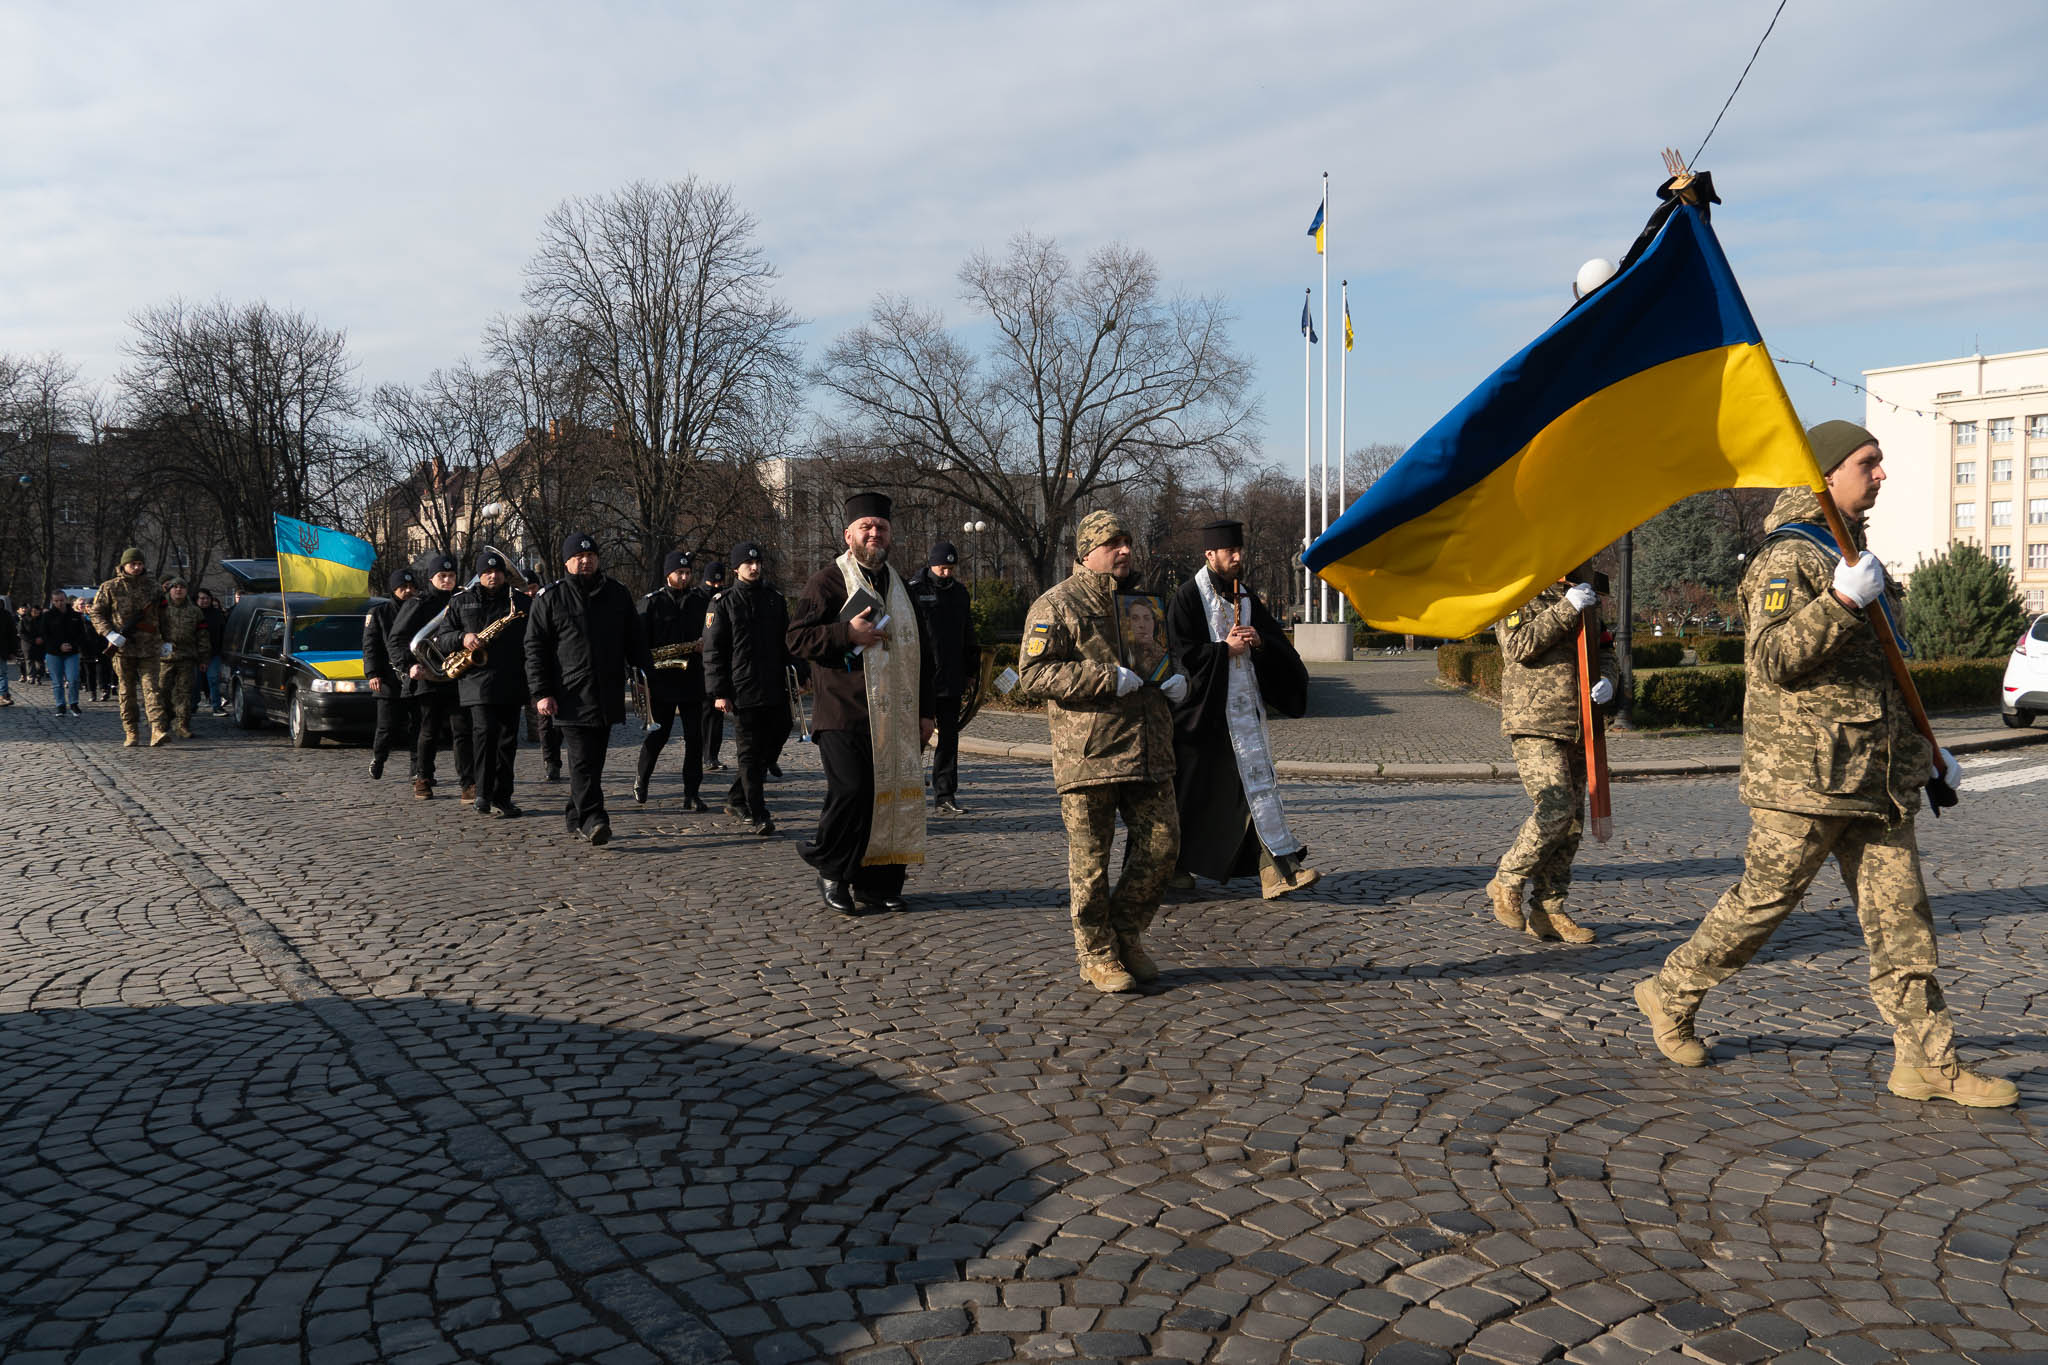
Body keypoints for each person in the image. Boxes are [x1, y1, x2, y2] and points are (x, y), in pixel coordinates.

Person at [1635, 420, 2016, 1107]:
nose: (1881, 473)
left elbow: (1880, 675)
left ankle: (1926, 1061)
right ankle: (1669, 992)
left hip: (1876, 780)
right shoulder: (1791, 557)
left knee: (1904, 924)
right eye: (1868, 462)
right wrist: (1841, 601)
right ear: (1827, 473)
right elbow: (1775, 658)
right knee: (1760, 906)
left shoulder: (1852, 551)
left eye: (1880, 462)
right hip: (1805, 780)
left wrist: (1927, 751)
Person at [1017, 510, 1186, 992]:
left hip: (1149, 749)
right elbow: (1033, 675)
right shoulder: (1058, 604)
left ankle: (1126, 935)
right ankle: (1095, 954)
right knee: (1091, 863)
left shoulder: (1143, 601)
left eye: (1128, 541)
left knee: (1163, 848)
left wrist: (1176, 682)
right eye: (1114, 542)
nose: (1125, 550)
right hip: (1090, 753)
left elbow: (1156, 659)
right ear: (1086, 551)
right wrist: (1103, 676)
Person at [786, 493, 936, 914]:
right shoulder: (827, 581)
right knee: (851, 791)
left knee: (891, 795)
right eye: (866, 528)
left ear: (890, 536)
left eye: (881, 528)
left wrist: (927, 713)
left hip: (897, 715)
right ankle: (831, 870)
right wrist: (846, 634)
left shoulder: (901, 585)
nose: (874, 534)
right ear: (848, 534)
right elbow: (796, 639)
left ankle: (877, 884)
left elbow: (923, 653)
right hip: (842, 712)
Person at [1165, 519, 1317, 899]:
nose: (1237, 557)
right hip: (1202, 720)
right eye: (1229, 552)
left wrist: (1260, 640)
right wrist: (1222, 650)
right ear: (1209, 554)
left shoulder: (1246, 596)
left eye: (1239, 550)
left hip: (1244, 718)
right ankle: (1173, 867)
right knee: (1192, 799)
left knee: (1255, 792)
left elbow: (1279, 646)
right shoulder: (1186, 597)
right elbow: (1177, 656)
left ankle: (1277, 869)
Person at [1483, 569, 1616, 945]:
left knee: (1572, 822)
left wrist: (1610, 680)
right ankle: (1507, 880)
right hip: (1536, 719)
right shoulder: (1516, 590)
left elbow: (1604, 650)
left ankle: (1549, 911)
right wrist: (1565, 609)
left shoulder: (1583, 591)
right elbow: (1517, 646)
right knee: (1555, 807)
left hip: (1579, 721)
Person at [524, 531, 651, 846]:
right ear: (566, 562)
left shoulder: (617, 594)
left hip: (607, 691)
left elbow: (634, 639)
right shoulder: (550, 598)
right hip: (568, 694)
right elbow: (535, 649)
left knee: (593, 760)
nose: (585, 561)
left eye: (591, 556)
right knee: (582, 758)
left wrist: (646, 678)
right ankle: (595, 818)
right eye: (578, 557)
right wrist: (541, 693)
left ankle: (574, 813)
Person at [703, 540, 794, 836]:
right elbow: (713, 651)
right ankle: (758, 812)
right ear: (736, 569)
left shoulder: (773, 599)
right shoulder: (723, 602)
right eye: (748, 564)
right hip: (742, 689)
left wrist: (801, 672)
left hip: (773, 685)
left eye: (757, 563)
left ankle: (737, 795)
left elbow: (787, 642)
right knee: (749, 752)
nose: (754, 568)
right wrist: (719, 692)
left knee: (780, 732)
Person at [437, 549, 529, 818]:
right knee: (484, 734)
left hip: (511, 679)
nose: (493, 576)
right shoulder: (461, 601)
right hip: (476, 680)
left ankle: (503, 796)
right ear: (479, 575)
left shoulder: (520, 602)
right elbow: (443, 638)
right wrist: (463, 638)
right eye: (487, 572)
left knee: (507, 741)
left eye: (497, 571)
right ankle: (481, 793)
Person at [391, 552, 475, 801]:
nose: (447, 580)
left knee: (462, 730)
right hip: (429, 674)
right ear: (431, 578)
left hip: (457, 673)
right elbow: (396, 639)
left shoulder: (462, 600)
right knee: (429, 730)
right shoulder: (418, 603)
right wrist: (408, 666)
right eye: (442, 576)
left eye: (451, 576)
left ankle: (468, 783)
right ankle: (423, 778)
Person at [634, 549, 710, 809]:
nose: (685, 577)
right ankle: (642, 778)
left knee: (695, 738)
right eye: (680, 573)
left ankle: (692, 792)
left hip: (692, 678)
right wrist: (641, 677)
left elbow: (712, 632)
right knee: (659, 736)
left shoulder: (700, 602)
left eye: (688, 573)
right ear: (669, 574)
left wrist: (705, 643)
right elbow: (639, 643)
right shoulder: (652, 602)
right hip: (662, 679)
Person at [909, 541, 980, 815]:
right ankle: (908, 787)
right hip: (921, 678)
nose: (947, 573)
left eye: (951, 568)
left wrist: (972, 670)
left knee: (949, 740)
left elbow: (968, 632)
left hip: (951, 677)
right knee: (916, 737)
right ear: (931, 564)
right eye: (942, 568)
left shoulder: (960, 593)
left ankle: (945, 794)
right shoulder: (915, 590)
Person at [89, 548, 169, 745]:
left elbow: (165, 616)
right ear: (123, 565)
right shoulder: (110, 587)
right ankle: (131, 730)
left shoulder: (154, 588)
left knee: (152, 689)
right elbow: (96, 613)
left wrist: (167, 640)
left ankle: (157, 729)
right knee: (127, 691)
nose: (137, 567)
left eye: (140, 564)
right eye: (133, 564)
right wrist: (109, 633)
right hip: (123, 649)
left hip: (149, 647)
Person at [362, 568, 418, 780]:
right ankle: (379, 757)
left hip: (415, 675)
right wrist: (373, 673)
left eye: (411, 587)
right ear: (394, 590)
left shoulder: (419, 609)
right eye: (403, 587)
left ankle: (417, 769)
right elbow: (370, 646)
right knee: (387, 726)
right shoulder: (379, 613)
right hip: (388, 677)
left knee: (418, 726)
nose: (408, 591)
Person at [157, 578, 203, 738]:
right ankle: (161, 723)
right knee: (162, 690)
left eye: (182, 587)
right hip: (164, 658)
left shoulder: (194, 611)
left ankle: (182, 724)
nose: (178, 590)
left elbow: (202, 635)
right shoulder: (161, 609)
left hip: (186, 657)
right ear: (169, 590)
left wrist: (204, 658)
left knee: (184, 692)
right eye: (175, 587)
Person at [699, 560, 730, 770]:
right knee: (705, 712)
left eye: (720, 583)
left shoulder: (724, 598)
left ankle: (712, 755)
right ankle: (704, 754)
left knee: (716, 714)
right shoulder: (697, 598)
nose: (717, 587)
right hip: (700, 663)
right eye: (713, 582)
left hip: (719, 662)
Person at [38, 589, 86, 717]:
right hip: (54, 653)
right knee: (57, 682)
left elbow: (81, 634)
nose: (59, 603)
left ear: (66, 600)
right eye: (56, 601)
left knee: (73, 679)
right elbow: (45, 635)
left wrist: (73, 645)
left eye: (61, 600)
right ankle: (60, 705)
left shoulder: (75, 615)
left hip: (72, 652)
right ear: (52, 602)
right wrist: (59, 646)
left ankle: (74, 703)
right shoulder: (47, 616)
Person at [195, 588, 229, 715]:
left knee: (213, 679)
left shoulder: (217, 614)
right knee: (195, 682)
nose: (204, 601)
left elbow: (223, 632)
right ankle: (193, 705)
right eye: (201, 598)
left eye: (206, 598)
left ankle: (216, 705)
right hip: (195, 653)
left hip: (214, 652)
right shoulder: (193, 613)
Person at [75, 598, 111, 703]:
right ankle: (92, 692)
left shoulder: (101, 618)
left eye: (91, 606)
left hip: (101, 647)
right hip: (86, 649)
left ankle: (104, 690)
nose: (89, 608)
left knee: (102, 671)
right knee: (89, 672)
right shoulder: (81, 619)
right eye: (87, 606)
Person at [0, 600, 15, 706]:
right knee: (2, 674)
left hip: (2, 649)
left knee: (2, 674)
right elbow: (12, 633)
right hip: (3, 649)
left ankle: (3, 695)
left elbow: (11, 633)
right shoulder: (6, 614)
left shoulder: (5, 615)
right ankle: (3, 695)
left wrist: (12, 650)